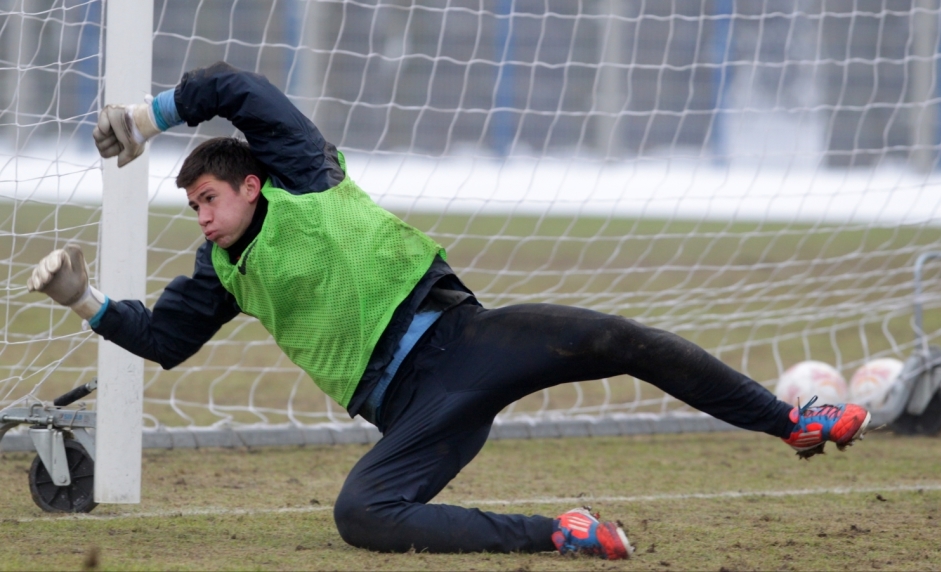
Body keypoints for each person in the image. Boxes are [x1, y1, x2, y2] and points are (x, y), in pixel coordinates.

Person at [28, 62, 871, 560]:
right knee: (360, 517)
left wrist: (146, 119)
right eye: (194, 209)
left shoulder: (303, 172)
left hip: (469, 340)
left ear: (251, 183)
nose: (203, 218)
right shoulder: (220, 271)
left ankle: (792, 421)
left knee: (620, 338)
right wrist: (85, 300)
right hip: (416, 411)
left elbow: (234, 87)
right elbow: (163, 339)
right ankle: (560, 534)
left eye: (209, 198)